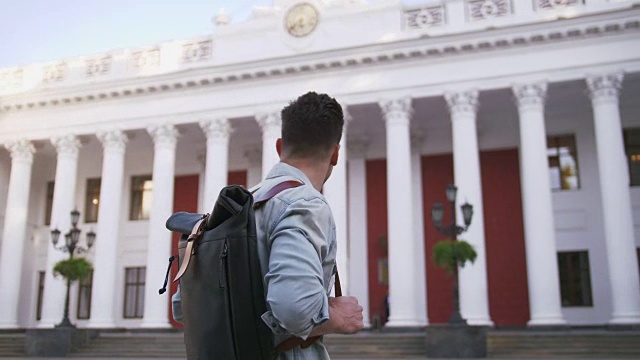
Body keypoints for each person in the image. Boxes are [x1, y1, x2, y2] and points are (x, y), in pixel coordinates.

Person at [252, 91, 364, 359]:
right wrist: (338, 317)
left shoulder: (239, 203)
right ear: (335, 154)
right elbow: (293, 308)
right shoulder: (305, 203)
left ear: (279, 147)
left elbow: (183, 307)